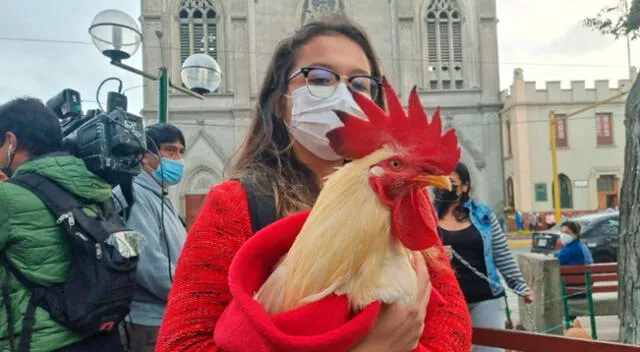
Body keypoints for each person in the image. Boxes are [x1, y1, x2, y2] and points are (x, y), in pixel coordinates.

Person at [157, 14, 472, 352]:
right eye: (319, 78)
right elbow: (182, 344)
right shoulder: (234, 203)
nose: (342, 94)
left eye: (360, 84)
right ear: (280, 101)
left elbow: (452, 324)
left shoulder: (404, 195)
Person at [0, 98, 122, 351]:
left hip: (40, 339)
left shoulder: (8, 197)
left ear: (11, 141)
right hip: (101, 334)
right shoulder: (97, 188)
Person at [435, 162, 534, 352]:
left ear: (465, 186)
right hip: (443, 301)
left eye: (451, 181)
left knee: (489, 350)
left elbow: (501, 253)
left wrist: (520, 286)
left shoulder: (483, 214)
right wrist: (434, 256)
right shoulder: (427, 214)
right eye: (440, 181)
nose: (444, 185)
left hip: (484, 297)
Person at [112, 123, 188, 352]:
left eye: (181, 152)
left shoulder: (157, 195)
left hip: (166, 314)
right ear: (144, 156)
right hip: (147, 321)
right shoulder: (131, 194)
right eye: (170, 150)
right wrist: (190, 294)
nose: (177, 159)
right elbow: (145, 263)